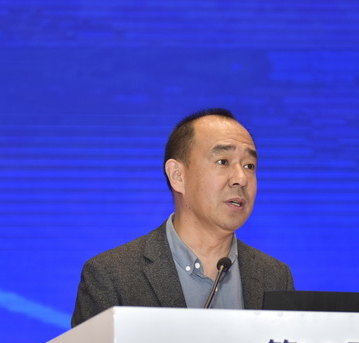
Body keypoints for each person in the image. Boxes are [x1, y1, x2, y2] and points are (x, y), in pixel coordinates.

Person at [71, 108, 294, 327]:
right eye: (223, 162)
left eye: (249, 166)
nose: (241, 178)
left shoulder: (274, 276)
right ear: (177, 176)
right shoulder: (112, 276)